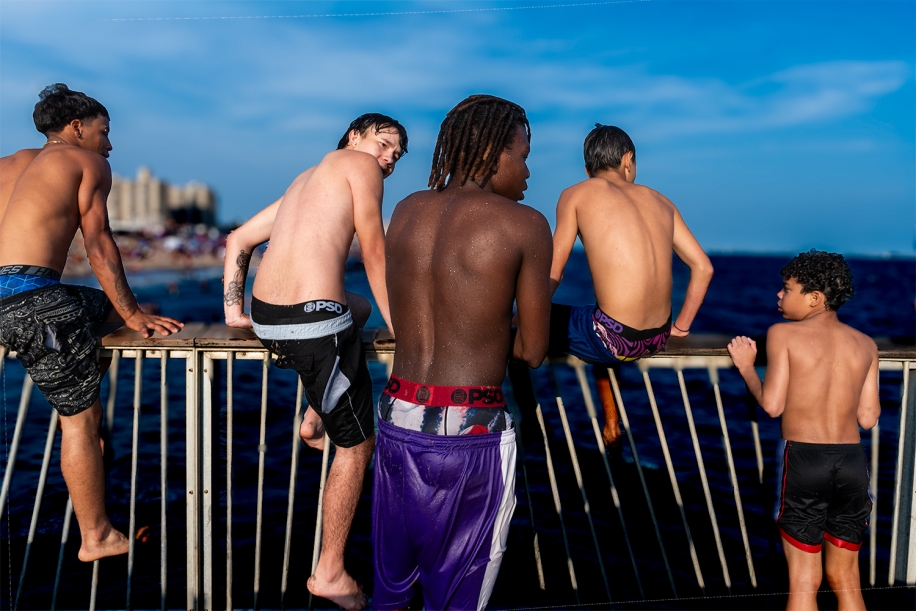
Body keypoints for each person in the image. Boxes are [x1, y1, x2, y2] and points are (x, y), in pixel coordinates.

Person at [222, 113, 407, 610]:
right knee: (357, 447)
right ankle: (329, 572)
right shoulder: (358, 167)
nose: (388, 157)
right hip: (310, 323)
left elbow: (237, 239)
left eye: (396, 154)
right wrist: (405, 333)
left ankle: (315, 414)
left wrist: (234, 313)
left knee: (358, 310)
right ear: (354, 138)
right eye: (384, 143)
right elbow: (374, 251)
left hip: (268, 320)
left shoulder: (307, 178)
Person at [373, 95, 552, 610]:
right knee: (457, 601)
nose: (526, 169)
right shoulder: (525, 224)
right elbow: (533, 350)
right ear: (495, 153)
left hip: (397, 415)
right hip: (470, 437)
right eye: (523, 153)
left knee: (391, 593)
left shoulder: (407, 210)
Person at [0, 84, 183, 562]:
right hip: (35, 300)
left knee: (94, 308)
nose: (109, 144)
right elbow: (99, 246)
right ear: (77, 128)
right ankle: (96, 536)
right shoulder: (86, 164)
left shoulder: (10, 164)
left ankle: (87, 390)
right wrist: (135, 314)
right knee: (77, 425)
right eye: (104, 131)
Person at [728, 250, 879, 611]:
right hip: (852, 462)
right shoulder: (866, 343)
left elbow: (772, 405)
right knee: (847, 581)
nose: (778, 296)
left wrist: (747, 368)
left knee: (803, 583)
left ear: (814, 298)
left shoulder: (782, 334)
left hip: (803, 459)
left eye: (786, 289)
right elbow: (869, 417)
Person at [548, 124, 713, 445]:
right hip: (657, 337)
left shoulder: (576, 194)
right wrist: (680, 328)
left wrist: (520, 317)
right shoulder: (661, 201)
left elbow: (554, 273)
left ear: (588, 170)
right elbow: (703, 268)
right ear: (628, 160)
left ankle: (526, 421)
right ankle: (613, 420)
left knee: (545, 321)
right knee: (597, 319)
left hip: (611, 340)